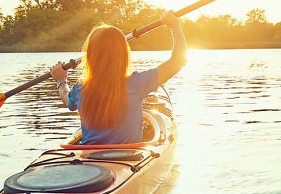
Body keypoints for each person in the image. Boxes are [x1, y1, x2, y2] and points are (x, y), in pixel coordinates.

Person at [49, 11, 187, 144]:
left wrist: (61, 80)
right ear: (123, 55)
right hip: (129, 158)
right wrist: (175, 26)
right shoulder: (137, 83)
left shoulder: (80, 90)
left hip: (90, 160)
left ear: (90, 56)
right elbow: (178, 60)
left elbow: (67, 98)